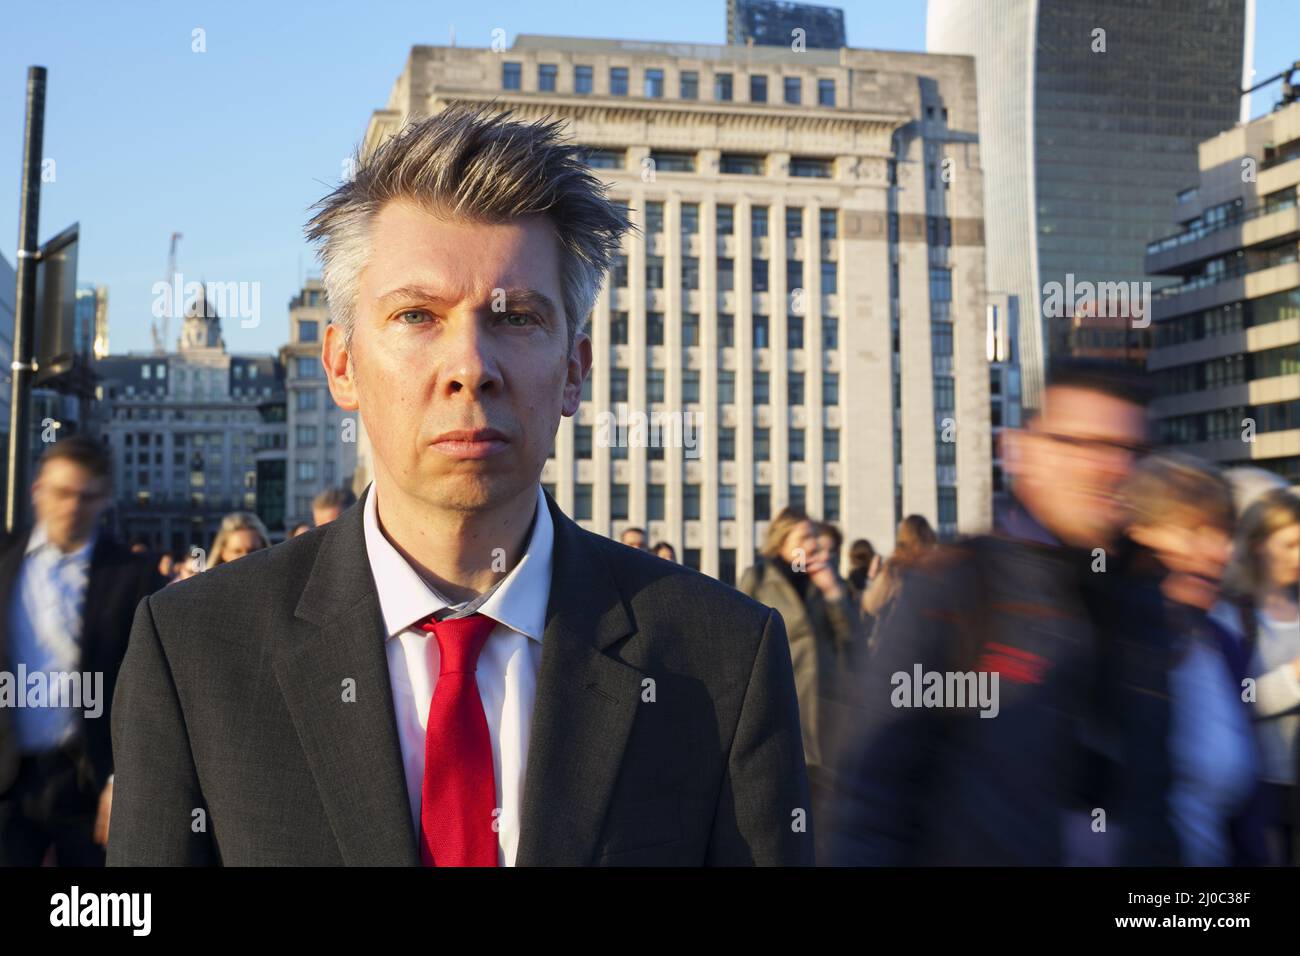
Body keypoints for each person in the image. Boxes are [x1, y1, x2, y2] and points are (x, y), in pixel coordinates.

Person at [108, 104, 811, 867]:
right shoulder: (194, 654)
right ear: (341, 364)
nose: (469, 365)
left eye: (515, 319)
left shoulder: (722, 663)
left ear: (573, 372)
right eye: (417, 315)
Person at [826, 359, 1179, 866]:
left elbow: (1155, 809)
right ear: (1021, 450)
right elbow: (869, 805)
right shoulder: (954, 591)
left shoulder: (1147, 604)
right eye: (1082, 444)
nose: (1110, 468)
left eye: (1131, 451)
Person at [0, 435, 164, 865]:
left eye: (86, 496)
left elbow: (152, 689)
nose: (72, 506)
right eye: (61, 493)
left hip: (88, 779)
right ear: (37, 491)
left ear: (104, 498)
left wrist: (122, 780)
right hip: (9, 776)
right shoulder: (5, 564)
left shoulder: (134, 577)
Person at [1121, 452, 1258, 866]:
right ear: (1138, 534)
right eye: (1195, 530)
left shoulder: (1223, 645)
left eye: (1224, 533)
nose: (1221, 551)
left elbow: (1246, 818)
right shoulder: (1096, 647)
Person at [739, 507, 860, 824]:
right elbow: (740, 638)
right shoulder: (759, 579)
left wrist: (833, 592)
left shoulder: (826, 579)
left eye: (816, 538)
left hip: (825, 706)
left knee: (826, 808)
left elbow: (852, 641)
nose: (814, 545)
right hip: (780, 701)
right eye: (805, 537)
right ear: (782, 540)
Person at [1210, 488, 1300, 865]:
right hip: (1259, 793)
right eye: (1291, 544)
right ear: (1260, 545)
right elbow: (1231, 705)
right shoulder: (1228, 615)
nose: (1299, 556)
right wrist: (1293, 680)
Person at [861, 515, 935, 651]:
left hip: (896, 644)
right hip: (930, 644)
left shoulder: (895, 567)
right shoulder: (937, 565)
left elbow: (871, 604)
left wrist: (871, 579)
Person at [206, 512, 271, 569]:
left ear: (264, 549)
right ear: (223, 553)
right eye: (237, 551)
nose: (245, 557)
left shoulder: (277, 581)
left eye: (253, 550)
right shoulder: (207, 582)